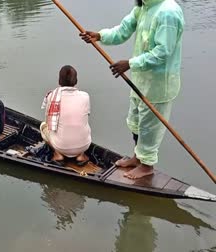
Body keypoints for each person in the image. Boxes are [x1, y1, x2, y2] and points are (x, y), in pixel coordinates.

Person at [79, 0, 184, 179]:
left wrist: (130, 63)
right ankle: (138, 158)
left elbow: (163, 52)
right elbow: (122, 30)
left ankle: (147, 166)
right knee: (136, 122)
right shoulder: (144, 7)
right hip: (140, 80)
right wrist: (100, 36)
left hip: (158, 84)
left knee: (150, 128)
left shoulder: (168, 12)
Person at [40, 65, 91, 165]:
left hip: (61, 146)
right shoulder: (85, 96)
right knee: (81, 125)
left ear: (59, 81)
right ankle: (80, 155)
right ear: (76, 81)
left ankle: (58, 154)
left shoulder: (52, 96)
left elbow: (49, 122)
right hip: (84, 144)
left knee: (43, 126)